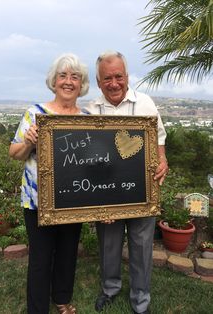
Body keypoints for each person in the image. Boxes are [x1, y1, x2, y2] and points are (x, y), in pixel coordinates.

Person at [85, 50, 168, 314]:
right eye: (107, 78)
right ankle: (110, 289)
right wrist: (98, 200)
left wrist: (163, 161)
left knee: (142, 246)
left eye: (118, 76)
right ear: (99, 82)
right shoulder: (90, 110)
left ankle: (140, 300)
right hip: (106, 194)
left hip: (142, 192)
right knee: (108, 245)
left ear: (127, 77)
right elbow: (84, 159)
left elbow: (159, 139)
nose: (114, 83)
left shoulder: (145, 103)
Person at [9, 53, 89, 314]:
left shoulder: (88, 119)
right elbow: (14, 153)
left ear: (82, 84)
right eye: (62, 76)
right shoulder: (35, 113)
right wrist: (30, 141)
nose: (68, 81)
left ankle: (62, 300)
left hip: (73, 200)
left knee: (67, 254)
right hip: (37, 201)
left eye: (74, 77)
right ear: (53, 82)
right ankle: (37, 309)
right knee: (41, 259)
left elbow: (95, 163)